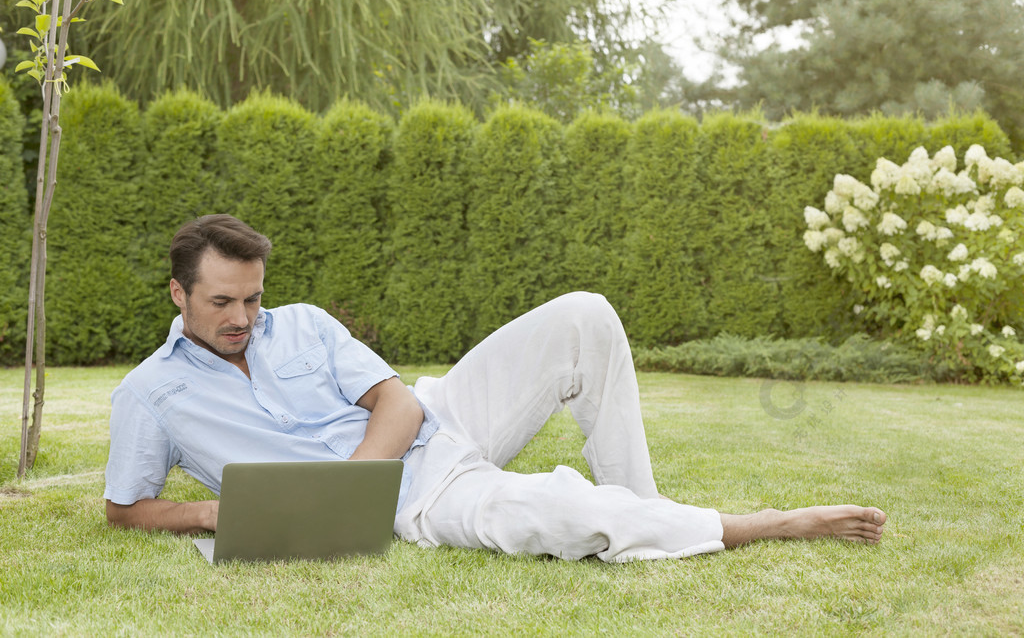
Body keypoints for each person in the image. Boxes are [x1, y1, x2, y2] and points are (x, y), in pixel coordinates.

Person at [104, 214, 887, 562]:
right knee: (560, 510)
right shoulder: (151, 394)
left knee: (583, 314)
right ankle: (771, 524)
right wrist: (215, 510)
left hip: (435, 421)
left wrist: (353, 483)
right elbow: (126, 506)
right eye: (222, 303)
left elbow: (398, 402)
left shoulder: (302, 322)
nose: (243, 316)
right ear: (178, 294)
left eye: (253, 298)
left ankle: (648, 503)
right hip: (421, 500)